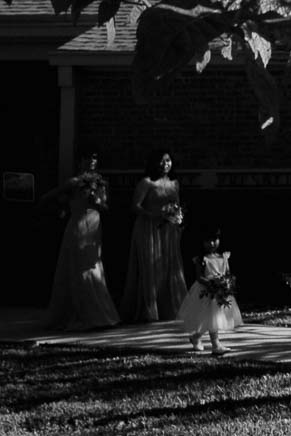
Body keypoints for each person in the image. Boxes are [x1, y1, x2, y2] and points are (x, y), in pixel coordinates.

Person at [43, 152, 120, 331]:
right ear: (80, 161)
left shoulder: (100, 182)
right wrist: (63, 206)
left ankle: (98, 313)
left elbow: (106, 206)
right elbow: (51, 196)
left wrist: (98, 200)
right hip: (78, 225)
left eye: (94, 158)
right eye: (87, 158)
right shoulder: (74, 182)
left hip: (94, 226)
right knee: (78, 267)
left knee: (94, 267)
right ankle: (78, 313)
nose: (91, 161)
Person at [120, 149, 188, 323]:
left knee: (169, 267)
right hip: (148, 229)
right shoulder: (147, 183)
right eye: (162, 161)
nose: (165, 164)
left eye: (168, 160)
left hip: (168, 230)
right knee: (151, 268)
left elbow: (177, 205)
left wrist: (177, 218)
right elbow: (135, 206)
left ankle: (170, 309)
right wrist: (154, 215)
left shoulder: (174, 184)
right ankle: (150, 310)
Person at [178, 226, 241, 355]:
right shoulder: (202, 259)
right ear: (202, 242)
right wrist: (211, 283)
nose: (212, 244)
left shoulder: (223, 256)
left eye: (214, 240)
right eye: (208, 241)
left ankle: (195, 337)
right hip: (205, 292)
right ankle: (216, 345)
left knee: (211, 319)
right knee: (209, 318)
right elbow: (199, 277)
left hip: (219, 292)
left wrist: (227, 283)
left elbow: (228, 273)